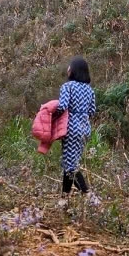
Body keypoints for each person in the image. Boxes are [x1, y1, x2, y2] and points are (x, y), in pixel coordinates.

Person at [55, 56, 96, 202]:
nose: (68, 69)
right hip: (84, 129)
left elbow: (62, 106)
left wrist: (51, 114)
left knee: (70, 166)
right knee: (70, 162)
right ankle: (64, 199)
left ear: (74, 70)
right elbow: (92, 111)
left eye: (69, 66)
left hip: (71, 129)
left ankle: (89, 196)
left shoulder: (68, 87)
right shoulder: (89, 90)